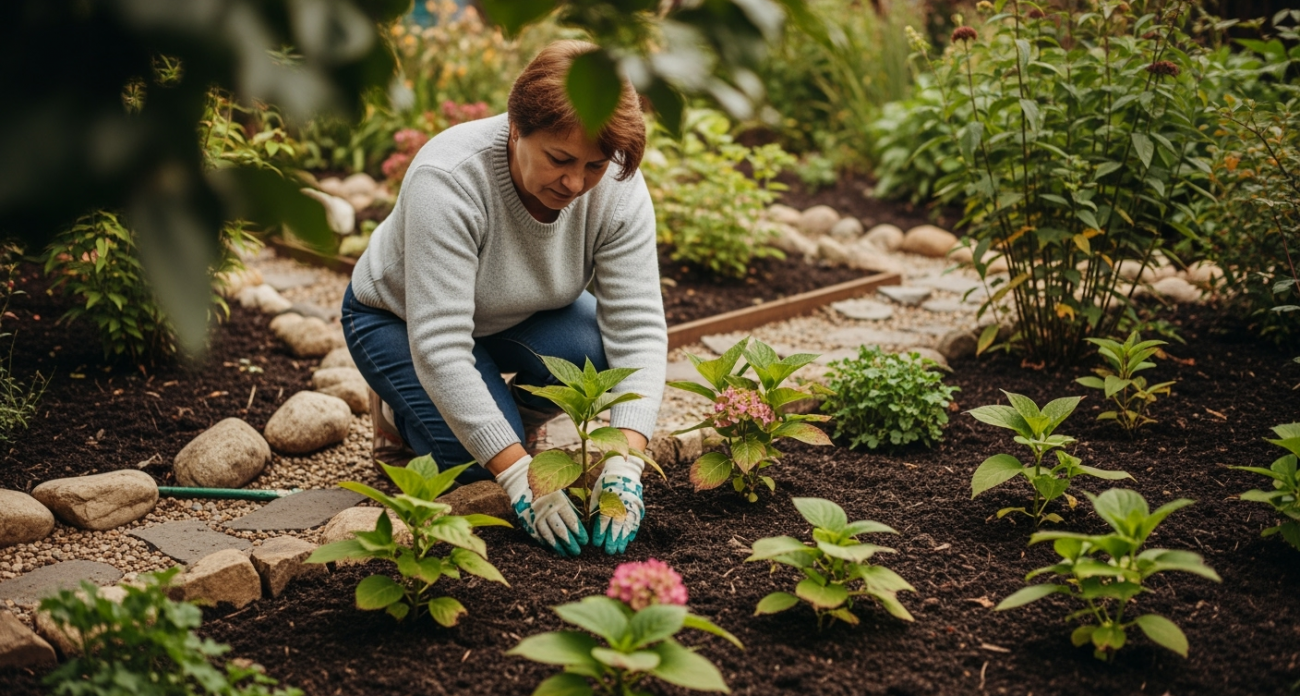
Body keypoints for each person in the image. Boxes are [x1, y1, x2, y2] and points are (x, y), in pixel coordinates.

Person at [341, 39, 666, 557]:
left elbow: (639, 330)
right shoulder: (448, 179)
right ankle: (399, 412)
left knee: (595, 356)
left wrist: (626, 463)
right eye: (559, 159)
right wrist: (518, 475)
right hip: (396, 318)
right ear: (516, 128)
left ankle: (495, 403)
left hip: (510, 314)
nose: (576, 182)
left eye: (594, 166)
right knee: (476, 469)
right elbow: (442, 346)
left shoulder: (618, 186)